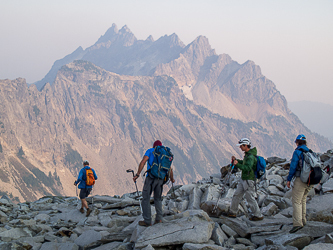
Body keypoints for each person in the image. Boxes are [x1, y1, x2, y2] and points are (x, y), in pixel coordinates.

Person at [133, 140, 175, 226]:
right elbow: (169, 168)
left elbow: (143, 162)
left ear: (153, 146)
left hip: (151, 178)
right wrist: (172, 178)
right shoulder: (164, 154)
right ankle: (159, 219)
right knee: (158, 198)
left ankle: (147, 221)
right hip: (160, 179)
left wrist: (137, 174)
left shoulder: (150, 151)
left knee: (146, 198)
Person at [225, 138, 263, 221]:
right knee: (237, 195)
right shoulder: (248, 155)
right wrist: (237, 161)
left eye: (241, 146)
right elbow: (244, 163)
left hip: (249, 180)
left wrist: (237, 165)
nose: (240, 147)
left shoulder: (250, 157)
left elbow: (248, 167)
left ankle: (258, 215)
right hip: (244, 179)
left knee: (250, 197)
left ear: (246, 145)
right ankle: (232, 212)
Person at [286, 134, 313, 233]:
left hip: (301, 179)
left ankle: (297, 224)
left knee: (296, 201)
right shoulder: (309, 152)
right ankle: (303, 220)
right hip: (310, 180)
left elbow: (293, 166)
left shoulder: (297, 152)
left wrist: (289, 179)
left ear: (297, 142)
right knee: (303, 200)